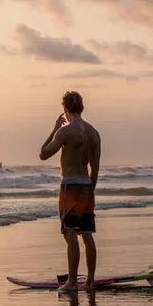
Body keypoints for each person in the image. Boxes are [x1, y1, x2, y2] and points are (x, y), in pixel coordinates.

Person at [39, 91, 101, 291]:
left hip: (70, 186)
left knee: (71, 232)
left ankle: (72, 282)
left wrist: (54, 129)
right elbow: (96, 167)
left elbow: (43, 154)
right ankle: (90, 281)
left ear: (65, 109)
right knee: (87, 233)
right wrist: (91, 189)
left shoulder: (65, 131)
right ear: (81, 108)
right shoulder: (93, 133)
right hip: (86, 185)